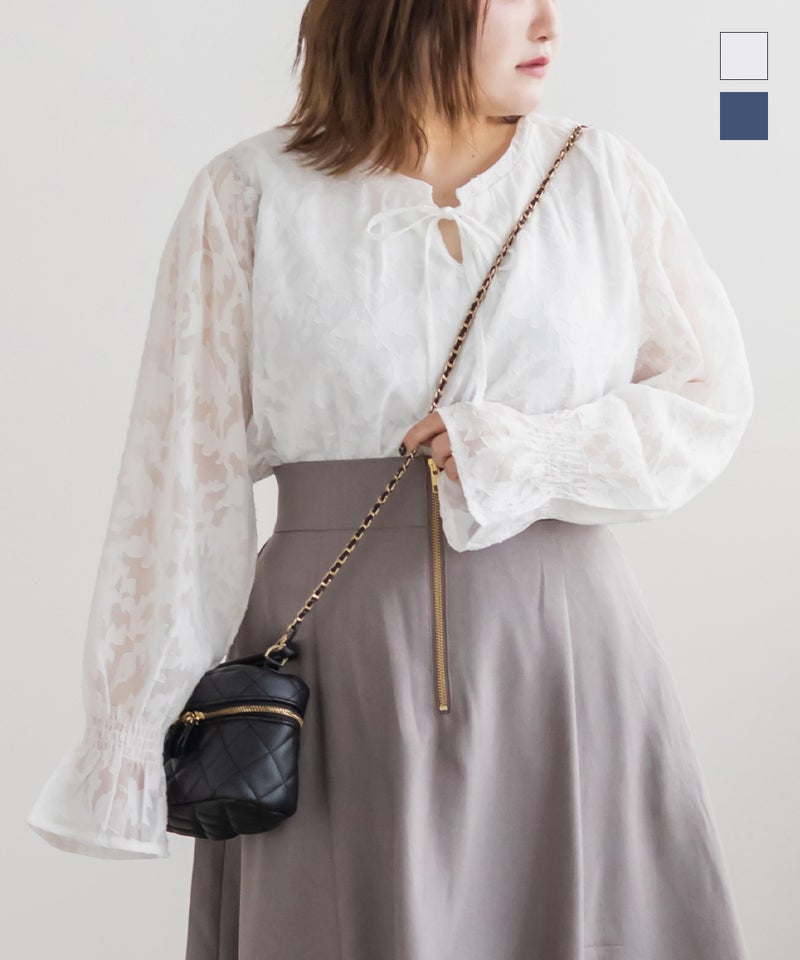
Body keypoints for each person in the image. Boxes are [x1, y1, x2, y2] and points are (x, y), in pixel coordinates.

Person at [27, 1, 754, 958]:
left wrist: (531, 452)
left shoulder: (599, 177)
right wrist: (130, 732)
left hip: (565, 658)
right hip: (339, 669)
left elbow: (708, 397)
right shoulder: (249, 194)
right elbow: (179, 482)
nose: (550, 24)